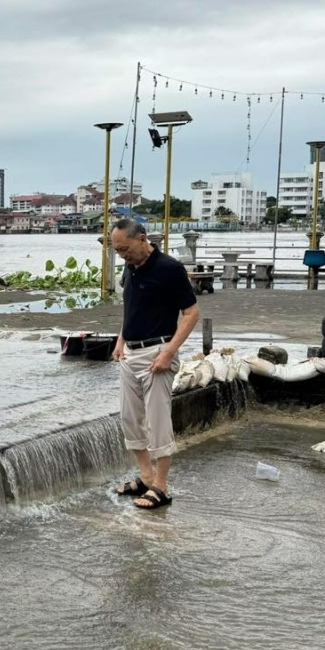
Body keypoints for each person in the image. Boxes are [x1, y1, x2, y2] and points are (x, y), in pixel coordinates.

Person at [108, 218, 200, 510]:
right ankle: (145, 476)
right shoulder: (129, 267)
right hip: (130, 353)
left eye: (125, 249)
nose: (122, 255)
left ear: (142, 239)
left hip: (158, 352)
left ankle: (161, 485)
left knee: (158, 420)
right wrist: (121, 340)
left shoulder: (169, 268)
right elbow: (131, 308)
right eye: (118, 251)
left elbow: (191, 313)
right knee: (129, 418)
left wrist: (169, 352)